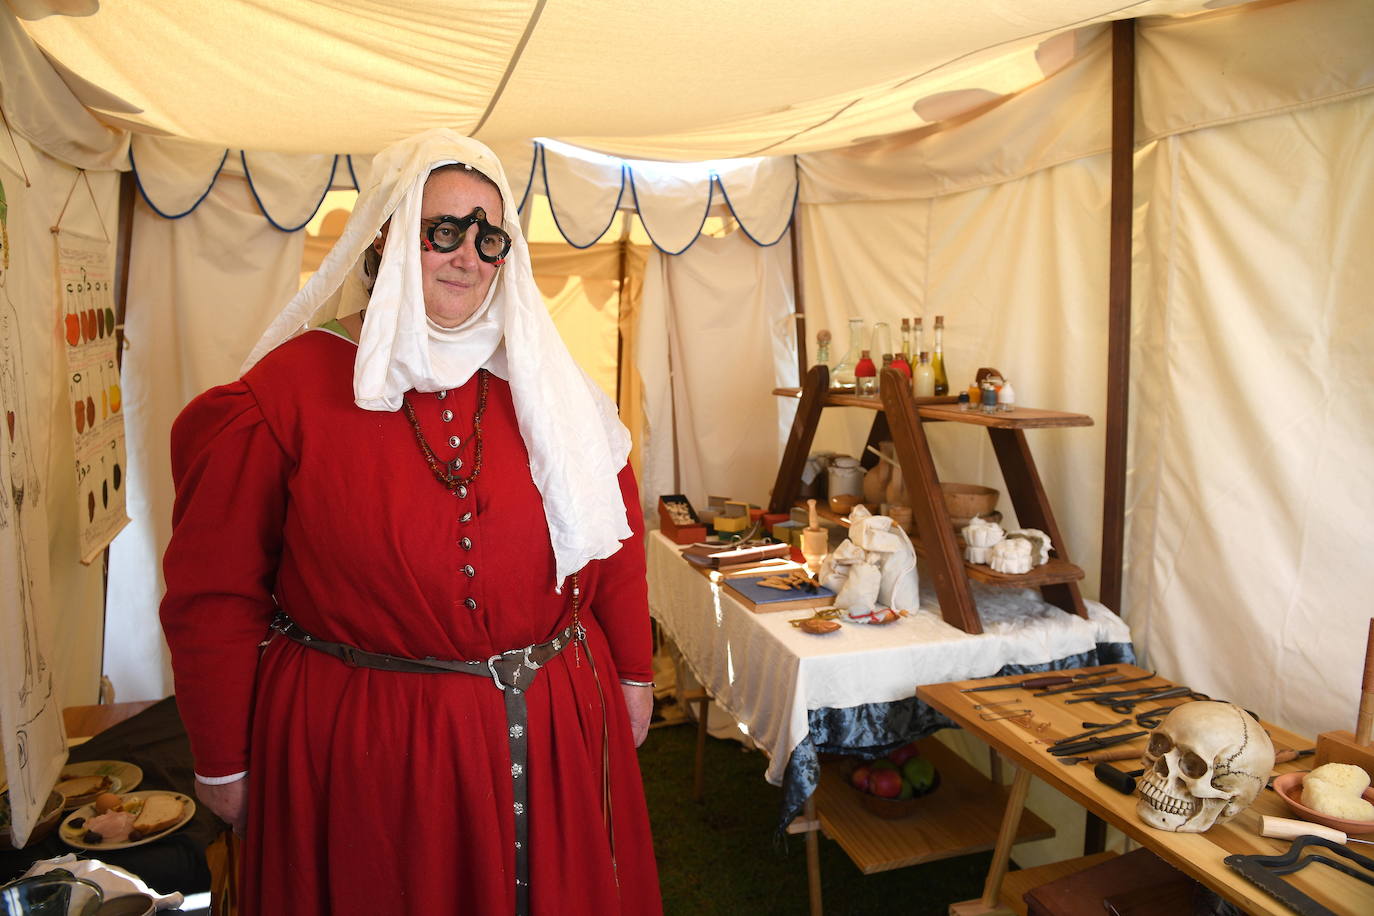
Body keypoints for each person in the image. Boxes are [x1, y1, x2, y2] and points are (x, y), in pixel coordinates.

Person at [160, 130, 661, 915]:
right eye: (444, 230)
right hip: (370, 750)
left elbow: (617, 540)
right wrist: (224, 759)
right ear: (388, 238)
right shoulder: (284, 393)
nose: (469, 254)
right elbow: (214, 594)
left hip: (557, 720)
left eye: (489, 236)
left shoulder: (554, 386)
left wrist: (634, 673)